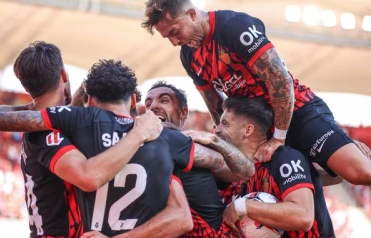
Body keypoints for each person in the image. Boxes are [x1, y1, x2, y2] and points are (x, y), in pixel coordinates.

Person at [141, 0, 371, 185]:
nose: (173, 42)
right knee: (274, 180)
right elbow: (214, 103)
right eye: (167, 37)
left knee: (360, 173)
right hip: (258, 128)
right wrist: (227, 136)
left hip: (298, 112)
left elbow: (279, 80)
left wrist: (278, 138)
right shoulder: (188, 55)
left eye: (175, 31)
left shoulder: (233, 26)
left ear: (192, 14)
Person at [0, 59, 213, 237]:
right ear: (134, 101)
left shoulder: (74, 127)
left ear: (89, 100)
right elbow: (185, 213)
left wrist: (37, 106)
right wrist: (211, 139)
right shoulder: (165, 139)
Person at [186, 97, 335, 237]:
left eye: (224, 123)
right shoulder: (247, 173)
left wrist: (242, 206)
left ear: (248, 130)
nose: (216, 130)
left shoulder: (284, 158)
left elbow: (303, 216)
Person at [144, 80, 253, 237]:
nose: (153, 106)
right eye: (148, 104)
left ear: (183, 113)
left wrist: (214, 140)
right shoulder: (136, 144)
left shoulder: (195, 147)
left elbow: (246, 171)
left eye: (164, 100)